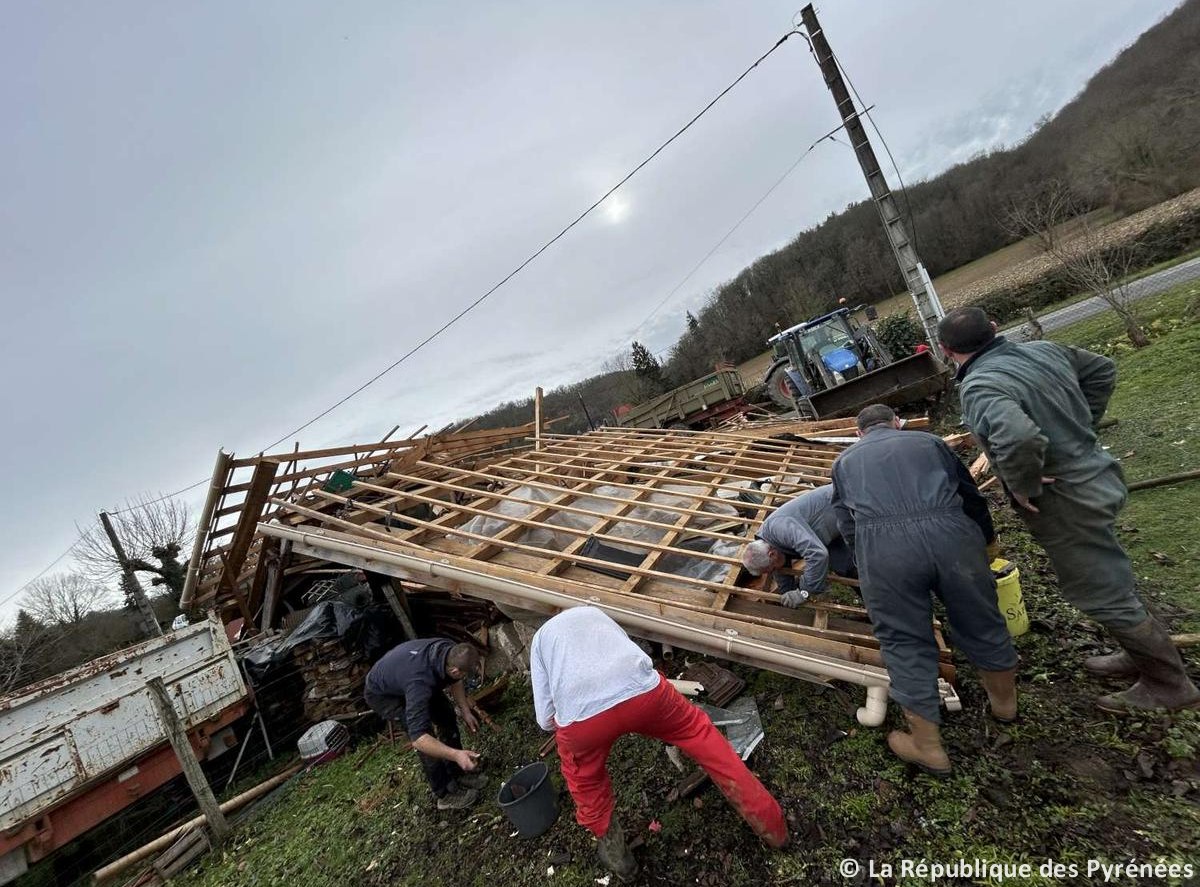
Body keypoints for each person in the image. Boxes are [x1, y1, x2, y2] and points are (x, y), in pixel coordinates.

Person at [938, 307, 1200, 713]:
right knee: (1108, 569)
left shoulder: (981, 385)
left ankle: (1169, 685)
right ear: (993, 328)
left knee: (1101, 586)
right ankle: (1138, 655)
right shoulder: (1044, 350)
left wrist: (1023, 482)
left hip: (1066, 497)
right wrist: (1079, 430)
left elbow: (1019, 437)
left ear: (945, 350)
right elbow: (1102, 370)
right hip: (1097, 475)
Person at [530, 607, 787, 881]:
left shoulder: (540, 639)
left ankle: (620, 859)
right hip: (644, 695)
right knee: (701, 735)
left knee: (587, 785)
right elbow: (629, 652)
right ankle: (774, 829)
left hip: (582, 721)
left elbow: (545, 720)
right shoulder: (594, 612)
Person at [832, 404, 1018, 775]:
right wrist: (987, 540)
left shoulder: (844, 462)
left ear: (859, 433)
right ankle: (1005, 706)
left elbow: (846, 524)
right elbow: (970, 496)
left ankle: (927, 747)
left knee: (904, 640)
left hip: (886, 549)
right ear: (896, 424)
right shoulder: (930, 443)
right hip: (953, 538)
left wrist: (868, 561)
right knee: (982, 619)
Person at [363, 638, 486, 809]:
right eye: (464, 675)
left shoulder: (450, 651)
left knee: (445, 714)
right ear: (455, 670)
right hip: (384, 695)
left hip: (408, 674)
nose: (464, 678)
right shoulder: (419, 683)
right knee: (426, 737)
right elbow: (420, 739)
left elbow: (455, 680)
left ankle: (456, 772)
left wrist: (465, 710)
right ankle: (444, 794)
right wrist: (455, 754)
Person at [741, 485, 853, 606]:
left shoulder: (782, 530)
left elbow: (817, 554)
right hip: (825, 528)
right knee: (845, 567)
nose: (774, 571)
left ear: (771, 554)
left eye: (772, 569)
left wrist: (804, 592)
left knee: (856, 565)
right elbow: (781, 567)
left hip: (850, 501)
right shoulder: (768, 542)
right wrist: (787, 594)